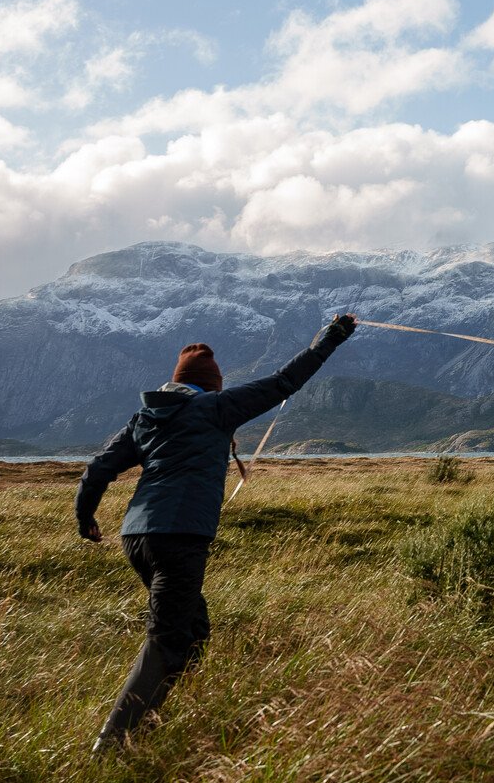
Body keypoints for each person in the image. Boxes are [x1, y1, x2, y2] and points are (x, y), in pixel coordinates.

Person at [75, 314, 358, 755]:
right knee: (167, 638)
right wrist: (331, 339)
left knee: (194, 630)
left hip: (137, 537)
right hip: (180, 536)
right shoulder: (215, 407)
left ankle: (159, 718)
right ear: (212, 385)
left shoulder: (145, 419)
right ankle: (112, 745)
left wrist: (85, 516)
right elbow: (285, 382)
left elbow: (97, 469)